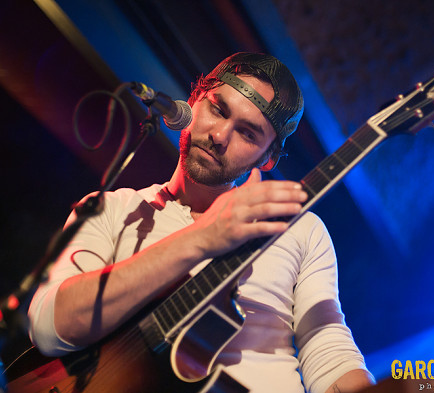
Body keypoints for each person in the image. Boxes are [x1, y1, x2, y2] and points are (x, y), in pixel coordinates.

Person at [28, 52, 375, 393]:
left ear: (267, 159)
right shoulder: (109, 209)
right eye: (218, 110)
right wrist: (202, 237)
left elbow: (327, 348)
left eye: (248, 134)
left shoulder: (298, 228)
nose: (220, 136)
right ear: (193, 102)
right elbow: (47, 327)